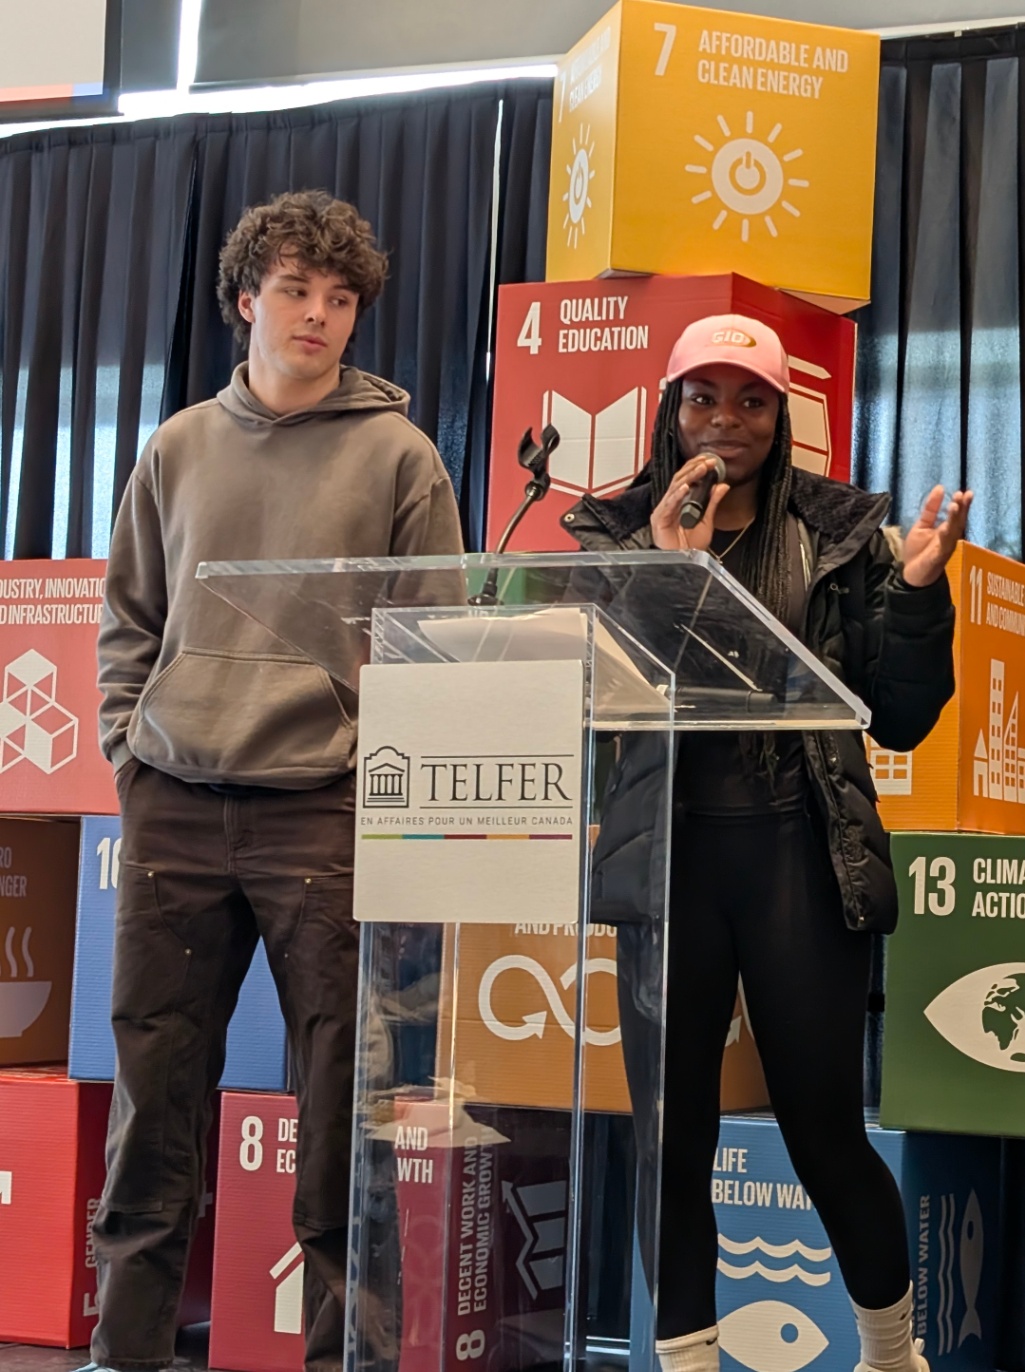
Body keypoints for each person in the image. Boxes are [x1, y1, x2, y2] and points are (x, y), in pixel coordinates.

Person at [90, 190, 464, 1372]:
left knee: (345, 1121)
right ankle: (125, 1353)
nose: (319, 314)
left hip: (326, 810)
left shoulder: (400, 454)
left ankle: (342, 1362)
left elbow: (436, 640)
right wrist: (125, 747)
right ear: (246, 300)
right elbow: (129, 618)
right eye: (297, 290)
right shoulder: (179, 446)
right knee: (154, 1110)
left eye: (342, 298)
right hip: (175, 807)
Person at [561, 314, 972, 1372]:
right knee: (670, 1137)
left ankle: (890, 1355)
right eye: (704, 397)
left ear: (783, 417)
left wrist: (919, 596)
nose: (726, 421)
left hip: (795, 843)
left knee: (825, 1125)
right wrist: (669, 571)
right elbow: (597, 698)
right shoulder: (611, 532)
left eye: (750, 400)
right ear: (670, 409)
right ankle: (689, 1364)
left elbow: (899, 713)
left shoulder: (843, 532)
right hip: (669, 856)